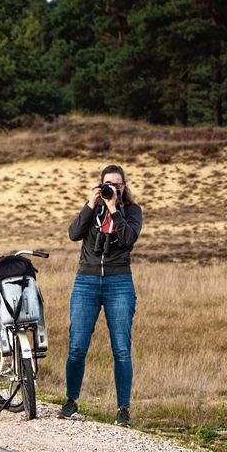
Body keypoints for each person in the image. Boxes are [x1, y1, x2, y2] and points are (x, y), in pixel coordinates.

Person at [61, 164, 144, 427]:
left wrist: (113, 208)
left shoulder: (132, 211)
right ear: (100, 184)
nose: (113, 188)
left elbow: (129, 238)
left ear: (124, 186)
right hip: (86, 280)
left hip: (119, 282)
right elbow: (74, 233)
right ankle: (71, 401)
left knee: (121, 349)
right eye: (108, 183)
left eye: (118, 184)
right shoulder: (92, 208)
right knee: (77, 346)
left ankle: (123, 409)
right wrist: (90, 203)